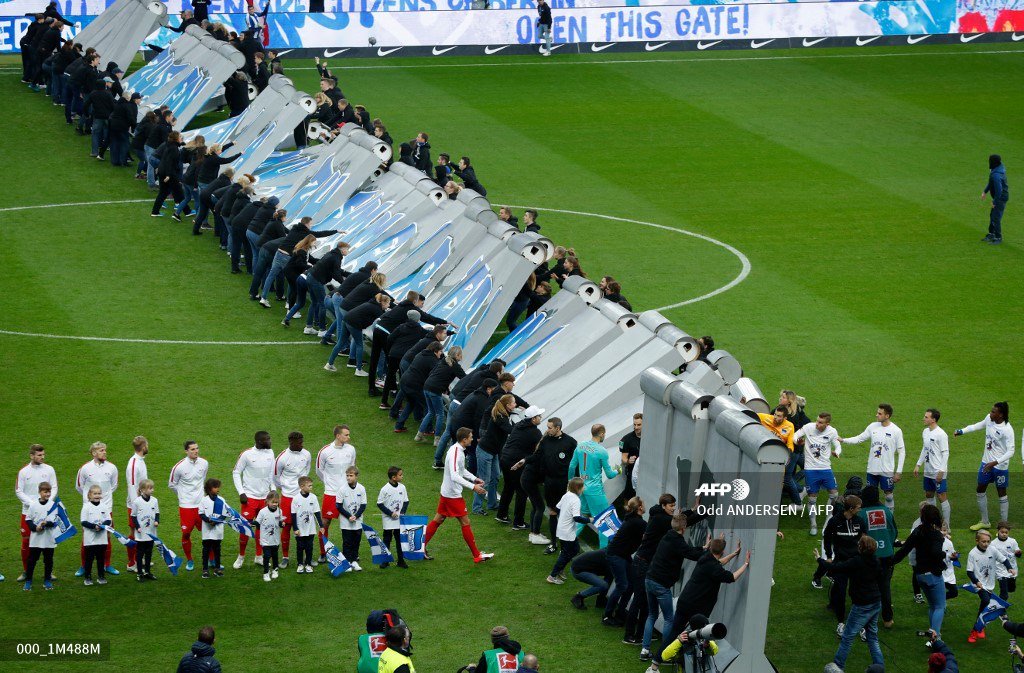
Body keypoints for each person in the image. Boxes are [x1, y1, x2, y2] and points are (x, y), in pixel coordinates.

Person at [423, 427, 494, 563]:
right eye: (471, 437)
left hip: (447, 492)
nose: (472, 439)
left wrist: (474, 478)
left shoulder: (458, 450)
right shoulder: (456, 452)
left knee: (438, 520)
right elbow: (455, 476)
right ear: (464, 439)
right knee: (465, 522)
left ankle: (420, 547)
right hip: (452, 495)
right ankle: (477, 555)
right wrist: (474, 487)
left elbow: (461, 470)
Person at [818, 535, 885, 673]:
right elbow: (881, 581)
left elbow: (836, 567)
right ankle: (879, 667)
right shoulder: (876, 561)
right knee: (872, 636)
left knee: (847, 636)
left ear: (860, 547)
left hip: (862, 605)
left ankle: (838, 666)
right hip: (875, 602)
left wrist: (820, 559)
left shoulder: (857, 561)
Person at [887, 503, 948, 638]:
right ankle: (935, 637)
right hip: (933, 575)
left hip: (920, 575)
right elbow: (936, 552)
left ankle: (932, 632)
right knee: (940, 607)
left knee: (932, 606)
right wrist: (944, 555)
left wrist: (889, 562)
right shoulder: (936, 535)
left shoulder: (917, 531)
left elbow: (904, 550)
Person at [624, 493, 677, 645]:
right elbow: (680, 522)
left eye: (674, 505)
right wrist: (700, 512)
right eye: (671, 505)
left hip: (644, 562)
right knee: (639, 600)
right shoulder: (662, 519)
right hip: (643, 563)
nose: (673, 508)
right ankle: (629, 635)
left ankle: (640, 633)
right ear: (663, 506)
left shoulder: (657, 513)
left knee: (645, 602)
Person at [812, 495, 868, 635]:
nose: (860, 510)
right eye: (858, 507)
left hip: (855, 562)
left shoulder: (860, 521)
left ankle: (860, 623)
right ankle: (841, 623)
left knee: (856, 592)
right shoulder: (835, 521)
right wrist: (829, 556)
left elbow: (864, 538)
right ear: (851, 508)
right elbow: (827, 538)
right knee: (841, 591)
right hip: (841, 562)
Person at [955, 402, 1014, 530]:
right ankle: (985, 521)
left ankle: (1004, 525)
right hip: (986, 462)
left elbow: (1011, 451)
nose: (990, 413)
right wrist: (962, 431)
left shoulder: (1007, 430)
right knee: (980, 489)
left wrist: (995, 462)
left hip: (1000, 466)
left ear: (1001, 415)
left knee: (1002, 493)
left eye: (994, 412)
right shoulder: (989, 419)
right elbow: (978, 425)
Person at [841, 404, 906, 511]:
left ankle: (890, 517)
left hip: (887, 470)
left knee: (888, 495)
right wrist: (843, 440)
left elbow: (902, 451)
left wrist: (899, 471)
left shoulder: (896, 431)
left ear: (887, 416)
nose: (877, 415)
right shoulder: (873, 426)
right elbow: (859, 438)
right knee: (870, 495)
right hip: (872, 469)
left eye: (880, 413)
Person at [568, 424, 618, 548]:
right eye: (604, 434)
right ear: (601, 433)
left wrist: (571, 483)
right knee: (604, 520)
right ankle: (603, 552)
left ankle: (567, 544)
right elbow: (610, 475)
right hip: (595, 491)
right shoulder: (602, 451)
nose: (604, 436)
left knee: (583, 517)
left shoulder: (580, 446)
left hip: (581, 488)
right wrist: (619, 470)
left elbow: (571, 466)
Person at [231, 430, 275, 569]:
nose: (270, 441)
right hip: (249, 498)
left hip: (265, 498)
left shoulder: (270, 453)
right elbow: (236, 472)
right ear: (260, 441)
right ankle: (241, 556)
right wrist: (241, 492)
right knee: (244, 528)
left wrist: (273, 488)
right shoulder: (247, 454)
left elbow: (271, 474)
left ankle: (259, 556)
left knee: (262, 527)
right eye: (268, 439)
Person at [75, 441, 118, 577]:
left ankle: (107, 564)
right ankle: (83, 566)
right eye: (101, 450)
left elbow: (114, 486)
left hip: (106, 507)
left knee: (107, 535)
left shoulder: (112, 468)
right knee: (87, 537)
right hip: (89, 508)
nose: (104, 452)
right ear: (94, 453)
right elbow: (79, 487)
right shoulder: (85, 469)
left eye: (105, 450)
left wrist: (102, 502)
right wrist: (91, 500)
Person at [497, 406, 545, 530]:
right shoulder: (535, 432)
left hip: (505, 458)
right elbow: (539, 450)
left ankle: (501, 514)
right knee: (521, 491)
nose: (541, 418)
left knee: (508, 487)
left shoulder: (519, 425)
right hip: (516, 463)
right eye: (539, 416)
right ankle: (518, 522)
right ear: (533, 419)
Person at [794, 412, 841, 535]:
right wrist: (797, 440)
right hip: (811, 470)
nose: (817, 424)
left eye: (820, 422)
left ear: (827, 424)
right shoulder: (809, 427)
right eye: (817, 421)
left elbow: (837, 444)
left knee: (834, 495)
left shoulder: (832, 431)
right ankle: (813, 524)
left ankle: (827, 522)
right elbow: (795, 435)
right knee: (812, 499)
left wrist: (837, 452)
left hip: (826, 469)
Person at [16, 444, 57, 582]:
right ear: (32, 455)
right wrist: (33, 504)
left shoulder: (50, 469)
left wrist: (47, 502)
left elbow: (55, 487)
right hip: (28, 512)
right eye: (39, 455)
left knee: (48, 541)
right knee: (27, 541)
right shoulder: (23, 472)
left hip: (47, 511)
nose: (42, 457)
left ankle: (49, 572)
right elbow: (18, 491)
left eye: (43, 454)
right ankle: (27, 571)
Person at [858, 486, 897, 628]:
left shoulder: (861, 514)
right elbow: (894, 532)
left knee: (867, 586)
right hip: (887, 554)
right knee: (885, 586)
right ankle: (888, 619)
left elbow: (859, 537)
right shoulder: (886, 511)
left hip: (869, 556)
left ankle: (866, 618)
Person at [603, 496, 646, 625]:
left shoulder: (632, 519)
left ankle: (620, 612)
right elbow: (651, 534)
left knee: (630, 584)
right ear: (639, 507)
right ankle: (607, 616)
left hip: (621, 554)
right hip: (617, 555)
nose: (645, 505)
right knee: (622, 585)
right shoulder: (638, 522)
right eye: (643, 504)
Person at [966, 529, 1015, 642]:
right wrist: (976, 581)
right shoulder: (972, 554)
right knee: (986, 601)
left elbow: (1004, 559)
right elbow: (969, 571)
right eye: (983, 541)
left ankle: (978, 628)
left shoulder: (992, 550)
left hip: (989, 586)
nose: (986, 544)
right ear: (977, 541)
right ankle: (976, 629)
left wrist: (1009, 568)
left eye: (988, 541)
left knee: (985, 605)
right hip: (978, 585)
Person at [316, 425, 356, 561]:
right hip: (331, 493)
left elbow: (352, 468)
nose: (348, 437)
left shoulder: (351, 450)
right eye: (346, 435)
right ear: (338, 436)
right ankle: (323, 552)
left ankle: (351, 553)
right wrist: (329, 483)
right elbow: (319, 470)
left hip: (347, 493)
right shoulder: (325, 451)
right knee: (325, 523)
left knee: (351, 522)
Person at [168, 440, 209, 571]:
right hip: (186, 506)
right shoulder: (179, 467)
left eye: (197, 448)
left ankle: (212, 559)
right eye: (192, 449)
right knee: (186, 533)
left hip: (201, 505)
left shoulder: (204, 463)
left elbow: (202, 479)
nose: (196, 451)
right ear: (186, 451)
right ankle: (190, 560)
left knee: (209, 532)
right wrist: (182, 496)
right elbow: (172, 484)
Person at [538, 417, 577, 552]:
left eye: (549, 427)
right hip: (549, 482)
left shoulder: (570, 442)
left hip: (564, 483)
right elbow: (539, 457)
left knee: (565, 515)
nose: (547, 430)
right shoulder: (546, 440)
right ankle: (554, 544)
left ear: (558, 428)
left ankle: (566, 545)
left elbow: (575, 464)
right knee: (552, 512)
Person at [272, 431, 310, 569]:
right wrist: (286, 488)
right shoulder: (282, 458)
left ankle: (306, 556)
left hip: (302, 497)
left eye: (302, 442)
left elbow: (307, 470)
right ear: (291, 442)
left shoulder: (306, 454)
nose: (301, 445)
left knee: (304, 526)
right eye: (299, 443)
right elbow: (275, 477)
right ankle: (285, 557)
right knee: (286, 527)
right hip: (287, 497)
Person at [547, 478, 591, 585]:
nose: (584, 488)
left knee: (573, 549)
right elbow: (576, 518)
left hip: (562, 529)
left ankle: (560, 569)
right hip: (568, 531)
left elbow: (557, 508)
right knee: (567, 554)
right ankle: (552, 575)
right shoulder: (576, 500)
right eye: (583, 486)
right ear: (578, 488)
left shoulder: (566, 495)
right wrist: (589, 520)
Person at [420, 346, 466, 445]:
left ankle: (419, 435)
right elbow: (465, 378)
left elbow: (434, 373)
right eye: (461, 355)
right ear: (457, 355)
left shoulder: (443, 361)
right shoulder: (455, 366)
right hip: (435, 390)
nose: (462, 357)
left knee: (431, 412)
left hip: (427, 386)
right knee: (440, 414)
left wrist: (444, 387)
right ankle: (437, 439)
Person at [914, 408, 951, 524]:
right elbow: (925, 449)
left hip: (938, 471)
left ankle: (946, 525)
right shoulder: (925, 432)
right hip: (928, 470)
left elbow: (946, 453)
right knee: (929, 494)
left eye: (926, 417)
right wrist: (918, 464)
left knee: (941, 496)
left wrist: (941, 471)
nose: (923, 419)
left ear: (933, 419)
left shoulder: (941, 434)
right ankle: (932, 521)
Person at [477, 394, 515, 504]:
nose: (515, 405)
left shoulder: (504, 414)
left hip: (493, 452)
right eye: (514, 403)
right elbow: (511, 430)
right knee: (484, 481)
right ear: (508, 405)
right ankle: (477, 507)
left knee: (495, 478)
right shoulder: (501, 417)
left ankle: (492, 503)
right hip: (486, 451)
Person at [759, 405, 800, 504]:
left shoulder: (789, 426)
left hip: (779, 457)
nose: (775, 418)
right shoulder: (764, 417)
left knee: (778, 483)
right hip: (764, 453)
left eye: (779, 416)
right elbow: (748, 414)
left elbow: (790, 444)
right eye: (775, 415)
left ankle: (776, 506)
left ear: (785, 418)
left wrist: (787, 455)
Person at [23, 481, 56, 591]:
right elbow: (28, 519)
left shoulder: (52, 505)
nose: (47, 494)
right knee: (32, 560)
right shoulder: (33, 505)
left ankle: (47, 580)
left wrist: (46, 524)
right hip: (36, 540)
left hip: (48, 540)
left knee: (48, 561)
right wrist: (35, 528)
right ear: (39, 492)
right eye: (45, 492)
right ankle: (28, 581)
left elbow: (55, 522)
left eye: (49, 492)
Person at [124, 436, 149, 573]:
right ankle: (131, 562)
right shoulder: (133, 463)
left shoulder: (140, 461)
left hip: (143, 503)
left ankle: (140, 558)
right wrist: (136, 506)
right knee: (134, 532)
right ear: (143, 446)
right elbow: (132, 486)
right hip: (135, 505)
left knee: (143, 531)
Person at [377, 466, 409, 569]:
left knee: (399, 540)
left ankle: (401, 560)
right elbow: (380, 504)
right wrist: (391, 513)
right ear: (394, 477)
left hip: (399, 520)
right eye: (400, 475)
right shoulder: (385, 489)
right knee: (387, 539)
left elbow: (406, 501)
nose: (402, 476)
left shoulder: (402, 487)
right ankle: (385, 561)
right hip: (388, 520)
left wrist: (402, 512)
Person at [80, 485, 111, 586]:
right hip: (90, 539)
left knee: (101, 559)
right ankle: (88, 577)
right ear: (89, 495)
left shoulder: (104, 506)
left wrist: (101, 526)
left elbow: (108, 520)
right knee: (89, 559)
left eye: (99, 493)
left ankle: (101, 576)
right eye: (95, 493)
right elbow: (83, 522)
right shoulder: (86, 507)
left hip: (102, 539)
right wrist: (94, 527)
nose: (97, 495)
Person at [338, 466, 368, 571]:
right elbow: (339, 506)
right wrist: (349, 516)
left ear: (356, 476)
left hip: (358, 521)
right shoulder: (342, 489)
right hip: (346, 522)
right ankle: (347, 562)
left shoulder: (361, 488)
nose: (348, 478)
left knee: (356, 541)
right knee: (347, 542)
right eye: (347, 476)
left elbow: (363, 505)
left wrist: (356, 516)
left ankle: (354, 561)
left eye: (351, 476)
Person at [291, 476, 322, 574]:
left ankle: (308, 564)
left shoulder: (313, 497)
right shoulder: (296, 499)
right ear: (302, 486)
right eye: (309, 486)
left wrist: (321, 526)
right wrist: (295, 528)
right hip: (300, 529)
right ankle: (300, 564)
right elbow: (293, 515)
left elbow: (317, 513)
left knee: (309, 547)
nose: (311, 487)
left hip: (310, 529)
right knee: (300, 547)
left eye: (311, 485)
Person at [130, 478, 159, 581]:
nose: (152, 490)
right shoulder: (137, 502)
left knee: (149, 553)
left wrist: (157, 521)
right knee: (140, 554)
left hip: (151, 533)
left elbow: (157, 513)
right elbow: (133, 516)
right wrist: (137, 527)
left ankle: (147, 572)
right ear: (142, 489)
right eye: (150, 488)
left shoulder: (155, 500)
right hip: (141, 534)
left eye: (152, 488)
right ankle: (139, 573)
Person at [198, 478, 226, 578]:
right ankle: (205, 569)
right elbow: (201, 514)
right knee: (206, 550)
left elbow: (224, 514)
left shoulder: (221, 500)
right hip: (207, 530)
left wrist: (216, 521)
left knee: (217, 550)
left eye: (218, 486)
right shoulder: (203, 500)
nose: (218, 488)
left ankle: (217, 568)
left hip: (217, 530)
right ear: (209, 489)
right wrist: (209, 521)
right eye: (215, 487)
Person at [254, 491, 283, 582]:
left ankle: (275, 570)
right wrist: (253, 523)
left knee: (275, 556)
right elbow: (258, 522)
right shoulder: (262, 512)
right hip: (265, 540)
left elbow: (280, 522)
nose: (275, 504)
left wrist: (282, 524)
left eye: (276, 502)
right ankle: (266, 572)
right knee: (266, 556)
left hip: (275, 539)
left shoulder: (279, 511)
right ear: (267, 501)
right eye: (273, 502)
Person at [616, 413, 642, 507]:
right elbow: (623, 458)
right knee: (628, 495)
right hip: (632, 473)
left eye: (639, 425)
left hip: (648, 472)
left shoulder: (651, 437)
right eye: (634, 424)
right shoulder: (627, 439)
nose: (636, 427)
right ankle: (627, 514)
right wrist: (628, 461)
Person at [982, 154, 1009, 243]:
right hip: (999, 197)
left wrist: (995, 201)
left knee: (996, 217)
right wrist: (985, 192)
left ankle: (998, 237)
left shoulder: (996, 175)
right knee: (992, 215)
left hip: (1000, 198)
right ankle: (991, 233)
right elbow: (991, 182)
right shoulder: (997, 169)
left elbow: (999, 190)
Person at [993, 521, 1021, 600]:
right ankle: (1002, 610)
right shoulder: (993, 544)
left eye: (1006, 532)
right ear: (998, 531)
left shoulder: (1013, 541)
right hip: (1000, 571)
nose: (1004, 534)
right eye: (1002, 532)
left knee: (1011, 589)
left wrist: (1018, 553)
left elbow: (1018, 554)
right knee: (1004, 593)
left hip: (1012, 570)